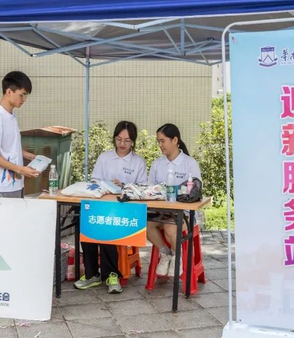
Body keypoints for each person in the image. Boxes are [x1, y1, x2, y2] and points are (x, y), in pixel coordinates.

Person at [74, 121, 148, 294]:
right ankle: (92, 274)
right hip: (103, 204)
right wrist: (106, 185)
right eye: (119, 139)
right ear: (114, 138)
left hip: (126, 208)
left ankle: (112, 274)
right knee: (86, 221)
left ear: (133, 141)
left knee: (107, 225)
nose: (122, 144)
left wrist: (124, 186)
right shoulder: (105, 157)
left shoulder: (138, 162)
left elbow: (143, 188)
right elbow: (94, 181)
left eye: (127, 141)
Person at [146, 123, 201, 277]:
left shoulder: (189, 163)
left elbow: (196, 190)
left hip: (184, 213)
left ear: (175, 140)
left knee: (170, 227)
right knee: (145, 225)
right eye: (158, 141)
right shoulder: (157, 164)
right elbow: (150, 189)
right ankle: (166, 254)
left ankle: (178, 257)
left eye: (163, 141)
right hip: (161, 212)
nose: (160, 145)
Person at [0, 71, 39, 198]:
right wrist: (20, 169)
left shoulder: (11, 116)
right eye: (22, 95)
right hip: (3, 186)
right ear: (9, 91)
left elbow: (7, 147)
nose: (24, 100)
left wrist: (27, 155)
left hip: (16, 184)